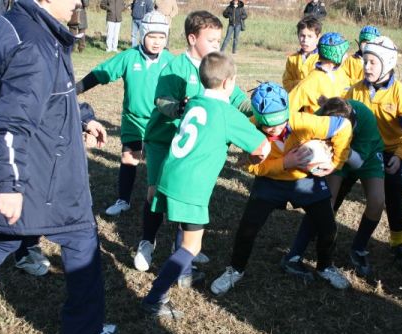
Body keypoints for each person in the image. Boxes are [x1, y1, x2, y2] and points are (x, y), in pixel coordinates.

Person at [0, 0, 116, 334]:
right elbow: (11, 121)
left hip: (35, 160)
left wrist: (83, 116)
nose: (79, 2)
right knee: (80, 233)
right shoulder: (34, 43)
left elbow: (46, 95)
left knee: (4, 234)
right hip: (42, 168)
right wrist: (9, 182)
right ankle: (84, 327)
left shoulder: (15, 25)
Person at [141, 52, 270, 318]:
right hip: (191, 187)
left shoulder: (193, 102)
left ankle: (177, 275)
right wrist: (255, 154)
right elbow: (262, 146)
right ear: (228, 83)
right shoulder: (226, 113)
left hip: (169, 174)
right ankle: (156, 296)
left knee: (185, 237)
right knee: (192, 246)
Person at [135, 10, 251, 278]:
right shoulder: (176, 67)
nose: (216, 46)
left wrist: (259, 109)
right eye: (211, 40)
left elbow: (238, 100)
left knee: (188, 196)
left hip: (193, 148)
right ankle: (147, 242)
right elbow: (161, 101)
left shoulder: (217, 67)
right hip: (163, 141)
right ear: (191, 38)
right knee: (154, 193)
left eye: (219, 40)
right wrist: (178, 108)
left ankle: (184, 256)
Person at [210, 82, 354, 296]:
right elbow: (250, 165)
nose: (274, 129)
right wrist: (284, 163)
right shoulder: (249, 127)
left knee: (328, 227)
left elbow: (343, 127)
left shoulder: (304, 121)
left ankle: (325, 267)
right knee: (247, 228)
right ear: (258, 118)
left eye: (279, 123)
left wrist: (336, 162)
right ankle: (235, 270)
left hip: (305, 180)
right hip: (271, 180)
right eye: (268, 125)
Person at [76, 11, 173, 217]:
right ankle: (123, 200)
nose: (157, 42)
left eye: (161, 37)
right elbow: (102, 73)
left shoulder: (172, 62)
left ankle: (163, 201)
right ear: (142, 35)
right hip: (133, 119)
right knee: (129, 158)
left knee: (164, 164)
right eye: (152, 37)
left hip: (161, 122)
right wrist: (75, 89)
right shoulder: (130, 57)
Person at [284, 97, 385, 278]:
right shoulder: (321, 115)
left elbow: (357, 162)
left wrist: (338, 146)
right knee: (323, 203)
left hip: (364, 155)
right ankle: (295, 254)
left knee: (377, 201)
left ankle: (359, 248)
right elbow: (300, 136)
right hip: (332, 153)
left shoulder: (365, 117)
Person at [346, 36, 402, 270]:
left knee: (394, 197)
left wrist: (399, 156)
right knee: (336, 191)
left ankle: (397, 243)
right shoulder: (354, 91)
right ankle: (322, 230)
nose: (366, 67)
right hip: (357, 150)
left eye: (372, 62)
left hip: (390, 153)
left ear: (388, 64)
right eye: (364, 61)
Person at [289, 32, 353, 114]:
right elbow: (289, 107)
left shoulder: (340, 73)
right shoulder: (311, 81)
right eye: (344, 53)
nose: (347, 56)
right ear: (335, 54)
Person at [282, 15, 321, 93]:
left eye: (310, 36)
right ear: (298, 36)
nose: (305, 40)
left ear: (318, 37)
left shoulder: (322, 59)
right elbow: (286, 83)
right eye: (302, 36)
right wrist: (301, 83)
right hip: (296, 101)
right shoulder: (292, 59)